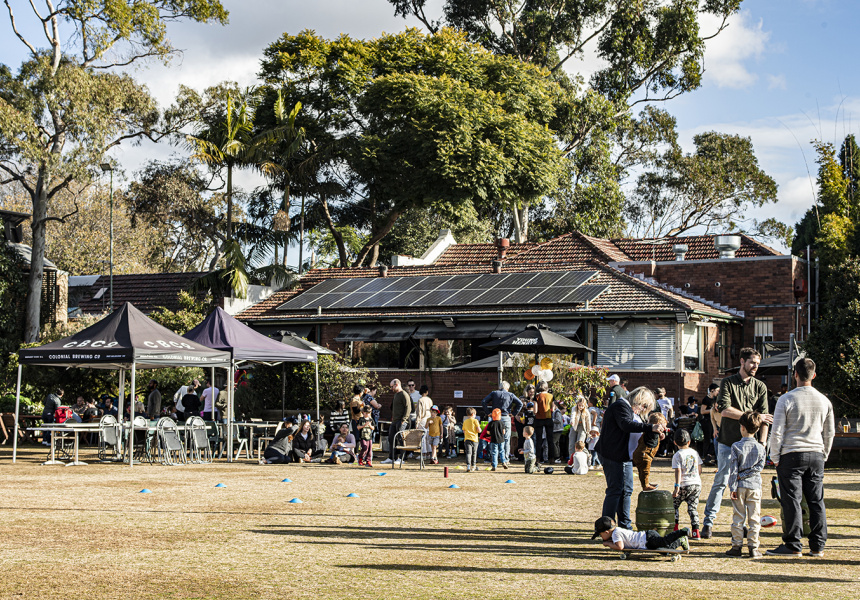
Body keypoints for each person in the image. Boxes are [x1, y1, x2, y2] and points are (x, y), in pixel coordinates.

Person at [701, 347, 772, 539]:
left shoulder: (760, 387)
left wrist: (763, 444)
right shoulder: (728, 382)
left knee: (747, 486)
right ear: (742, 362)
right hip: (727, 441)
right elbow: (724, 410)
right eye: (752, 363)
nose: (755, 366)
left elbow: (766, 419)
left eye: (757, 363)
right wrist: (753, 416)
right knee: (722, 481)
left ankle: (744, 527)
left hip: (750, 445)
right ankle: (708, 522)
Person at [767, 358, 835, 557]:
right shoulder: (824, 400)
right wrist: (824, 454)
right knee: (816, 500)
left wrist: (775, 456)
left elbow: (777, 431)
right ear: (813, 375)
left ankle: (793, 543)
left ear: (794, 374)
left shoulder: (786, 399)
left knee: (792, 500)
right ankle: (818, 544)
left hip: (791, 453)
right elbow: (829, 433)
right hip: (816, 453)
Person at [596, 386, 664, 530]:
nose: (643, 410)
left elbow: (636, 429)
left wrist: (654, 433)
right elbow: (626, 425)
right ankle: (606, 526)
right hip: (613, 455)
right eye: (644, 406)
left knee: (626, 490)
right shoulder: (621, 406)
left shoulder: (627, 408)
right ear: (639, 400)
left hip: (623, 456)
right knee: (615, 490)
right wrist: (650, 427)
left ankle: (625, 526)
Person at [725, 411, 766, 558]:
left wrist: (733, 485)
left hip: (740, 486)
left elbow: (733, 469)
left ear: (742, 427)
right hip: (755, 486)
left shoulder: (736, 446)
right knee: (754, 517)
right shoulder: (761, 447)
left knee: (738, 516)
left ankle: (736, 546)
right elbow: (759, 467)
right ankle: (753, 546)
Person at [481, 381, 523, 468]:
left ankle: (494, 459)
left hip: (495, 417)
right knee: (507, 439)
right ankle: (506, 459)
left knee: (493, 438)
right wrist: (514, 413)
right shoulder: (510, 394)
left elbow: (484, 401)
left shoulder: (494, 393)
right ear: (507, 388)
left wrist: (488, 412)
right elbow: (520, 403)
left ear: (500, 387)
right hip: (506, 417)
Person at [592, 516, 689, 552]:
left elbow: (620, 547)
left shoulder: (615, 534)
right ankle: (680, 541)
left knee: (664, 541)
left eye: (600, 535)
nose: (602, 538)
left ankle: (682, 532)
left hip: (647, 538)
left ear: (606, 532)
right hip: (646, 541)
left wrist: (608, 544)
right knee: (664, 549)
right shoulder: (617, 531)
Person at [672, 428, 703, 540]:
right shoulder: (694, 452)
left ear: (675, 442)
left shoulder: (677, 455)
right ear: (689, 442)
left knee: (674, 505)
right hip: (696, 484)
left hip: (684, 484)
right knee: (692, 508)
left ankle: (675, 529)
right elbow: (699, 468)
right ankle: (696, 531)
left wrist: (677, 486)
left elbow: (678, 470)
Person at [632, 412, 667, 491]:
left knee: (643, 471)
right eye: (664, 425)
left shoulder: (651, 431)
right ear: (658, 424)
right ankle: (645, 485)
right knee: (645, 471)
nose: (665, 427)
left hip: (642, 454)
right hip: (644, 455)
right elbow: (652, 439)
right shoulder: (652, 432)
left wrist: (660, 436)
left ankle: (646, 483)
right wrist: (659, 433)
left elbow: (653, 441)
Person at [381, 379, 412, 466]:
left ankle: (402, 458)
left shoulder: (404, 394)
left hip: (401, 421)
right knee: (391, 439)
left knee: (401, 440)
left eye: (392, 386)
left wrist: (403, 420)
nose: (391, 388)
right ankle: (392, 457)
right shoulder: (396, 395)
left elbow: (408, 408)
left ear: (397, 384)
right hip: (394, 421)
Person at [532, 380, 555, 467]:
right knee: (550, 439)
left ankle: (538, 458)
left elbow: (535, 410)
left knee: (539, 440)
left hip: (539, 419)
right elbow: (553, 408)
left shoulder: (537, 396)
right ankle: (552, 458)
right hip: (548, 418)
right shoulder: (551, 396)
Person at [568, 395, 592, 460]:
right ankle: (571, 460)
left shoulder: (586, 412)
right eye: (579, 405)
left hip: (583, 427)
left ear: (584, 406)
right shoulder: (574, 409)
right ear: (577, 404)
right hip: (574, 426)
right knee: (571, 444)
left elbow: (588, 422)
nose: (580, 407)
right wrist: (572, 421)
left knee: (580, 444)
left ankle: (587, 456)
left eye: (582, 406)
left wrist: (589, 432)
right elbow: (573, 415)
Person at [514, 384, 535, 458]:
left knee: (530, 437)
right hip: (520, 419)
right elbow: (516, 408)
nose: (531, 393)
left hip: (529, 420)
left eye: (533, 392)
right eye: (530, 392)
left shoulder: (534, 399)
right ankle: (520, 455)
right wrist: (516, 416)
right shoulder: (522, 398)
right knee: (521, 437)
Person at [700, 383, 718, 463]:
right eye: (717, 391)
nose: (718, 392)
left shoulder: (715, 399)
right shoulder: (706, 399)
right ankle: (705, 456)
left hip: (713, 421)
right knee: (707, 439)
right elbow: (702, 411)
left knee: (714, 438)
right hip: (707, 422)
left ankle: (710, 455)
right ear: (712, 390)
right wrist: (712, 410)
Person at [462, 407, 481, 472]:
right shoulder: (475, 421)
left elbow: (464, 431)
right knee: (474, 453)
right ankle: (473, 466)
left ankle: (468, 466)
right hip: (474, 439)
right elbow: (478, 430)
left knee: (468, 453)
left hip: (467, 439)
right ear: (473, 414)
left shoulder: (465, 421)